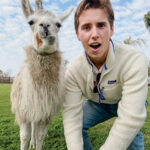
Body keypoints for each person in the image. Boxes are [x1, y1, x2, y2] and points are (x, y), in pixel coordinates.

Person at [63, 0, 148, 150]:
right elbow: (72, 119)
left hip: (125, 99)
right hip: (98, 104)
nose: (94, 34)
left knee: (131, 133)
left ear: (112, 29)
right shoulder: (73, 70)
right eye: (86, 27)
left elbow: (130, 119)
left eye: (101, 25)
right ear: (77, 34)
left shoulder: (134, 59)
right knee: (77, 125)